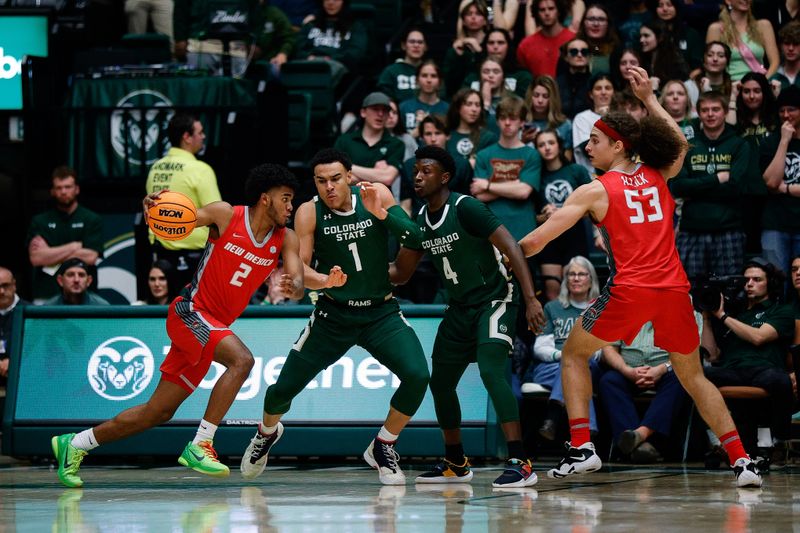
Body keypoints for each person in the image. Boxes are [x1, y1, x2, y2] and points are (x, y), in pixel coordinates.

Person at [518, 66, 763, 488]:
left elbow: (535, 244)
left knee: (574, 354)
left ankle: (581, 448)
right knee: (693, 377)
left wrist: (495, 247)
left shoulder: (596, 188)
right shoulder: (658, 172)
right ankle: (742, 461)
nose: (588, 147)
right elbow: (681, 141)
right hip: (673, 292)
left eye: (595, 141)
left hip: (629, 292)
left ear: (618, 144)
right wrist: (650, 97)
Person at [50, 164, 306, 488]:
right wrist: (155, 208)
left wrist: (295, 285)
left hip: (211, 328)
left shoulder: (287, 238)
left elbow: (297, 279)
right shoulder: (226, 215)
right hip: (191, 312)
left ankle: (74, 444)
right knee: (242, 361)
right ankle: (201, 443)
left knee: (157, 412)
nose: (290, 206)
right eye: (285, 199)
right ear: (265, 199)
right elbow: (179, 219)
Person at [239, 149, 430, 486]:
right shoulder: (309, 212)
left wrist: (382, 214)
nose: (329, 187)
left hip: (380, 313)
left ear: (350, 177)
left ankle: (383, 445)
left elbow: (416, 238)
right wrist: (324, 280)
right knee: (282, 390)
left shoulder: (377, 195)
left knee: (418, 375)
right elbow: (301, 269)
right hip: (333, 316)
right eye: (321, 180)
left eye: (335, 179)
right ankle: (266, 433)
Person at [390, 145, 544, 487]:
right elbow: (401, 274)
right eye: (415, 170)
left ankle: (521, 461)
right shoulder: (419, 220)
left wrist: (531, 298)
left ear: (444, 177)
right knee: (440, 382)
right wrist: (360, 272)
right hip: (459, 307)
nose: (417, 176)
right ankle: (456, 462)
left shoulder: (467, 207)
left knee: (491, 371)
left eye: (425, 171)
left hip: (495, 298)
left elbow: (511, 246)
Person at [703, 258, 795, 467]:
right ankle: (717, 442)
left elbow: (758, 337)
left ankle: (779, 441)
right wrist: (708, 318)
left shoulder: (781, 311)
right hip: (731, 370)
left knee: (780, 380)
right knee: (693, 377)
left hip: (764, 369)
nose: (749, 284)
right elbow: (712, 355)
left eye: (756, 279)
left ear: (769, 283)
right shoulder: (735, 312)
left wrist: (723, 316)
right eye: (746, 280)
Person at [669, 91, 752, 280]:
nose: (710, 114)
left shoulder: (739, 144)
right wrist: (717, 179)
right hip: (692, 231)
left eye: (715, 109)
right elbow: (679, 187)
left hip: (728, 230)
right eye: (705, 110)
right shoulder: (687, 146)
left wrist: (696, 188)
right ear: (699, 113)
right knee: (689, 290)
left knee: (729, 290)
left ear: (724, 112)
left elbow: (736, 188)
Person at [599, 317, 699, 463]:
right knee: (609, 381)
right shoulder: (624, 306)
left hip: (667, 369)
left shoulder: (684, 305)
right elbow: (608, 348)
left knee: (681, 379)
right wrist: (626, 370)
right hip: (630, 369)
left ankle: (640, 435)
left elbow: (690, 351)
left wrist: (662, 369)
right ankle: (641, 447)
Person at [525, 256, 601, 441]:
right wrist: (563, 356)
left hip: (589, 365)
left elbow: (600, 350)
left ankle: (553, 415)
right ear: (565, 280)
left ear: (591, 279)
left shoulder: (599, 310)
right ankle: (588, 431)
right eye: (571, 274)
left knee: (578, 366)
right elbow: (540, 347)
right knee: (572, 368)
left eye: (582, 274)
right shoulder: (552, 307)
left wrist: (574, 358)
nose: (576, 278)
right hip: (551, 368)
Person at [146, 113, 222, 291]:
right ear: (186, 137)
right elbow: (219, 216)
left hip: (161, 255)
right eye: (199, 132)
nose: (203, 136)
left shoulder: (155, 168)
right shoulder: (200, 170)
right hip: (194, 259)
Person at [27, 166, 104, 303]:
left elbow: (91, 256)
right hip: (46, 292)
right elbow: (37, 258)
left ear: (77, 189)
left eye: (68, 187)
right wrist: (74, 247)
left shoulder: (91, 219)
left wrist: (50, 253)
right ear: (52, 191)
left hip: (85, 295)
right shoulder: (40, 221)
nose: (63, 192)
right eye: (59, 188)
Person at [472, 95, 542, 242]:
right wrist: (514, 186)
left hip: (524, 229)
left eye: (513, 118)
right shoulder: (484, 155)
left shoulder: (532, 154)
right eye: (503, 118)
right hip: (491, 229)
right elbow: (480, 195)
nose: (507, 123)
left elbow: (523, 192)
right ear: (497, 121)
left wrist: (488, 185)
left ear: (522, 122)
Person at [532, 130, 591, 300]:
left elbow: (592, 208)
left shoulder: (576, 171)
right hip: (548, 240)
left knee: (577, 291)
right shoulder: (536, 176)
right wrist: (546, 217)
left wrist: (565, 213)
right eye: (542, 145)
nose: (547, 148)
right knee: (552, 291)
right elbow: (533, 216)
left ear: (559, 145)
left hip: (575, 237)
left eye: (551, 143)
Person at [761, 85, 800, 276]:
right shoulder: (771, 141)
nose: (786, 115)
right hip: (775, 224)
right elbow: (771, 183)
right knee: (776, 281)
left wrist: (786, 188)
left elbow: (778, 187)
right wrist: (784, 141)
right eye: (782, 110)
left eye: (791, 109)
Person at [334, 92, 406, 193]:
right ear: (363, 112)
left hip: (381, 201)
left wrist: (348, 166)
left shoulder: (396, 144)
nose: (380, 114)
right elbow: (336, 176)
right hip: (348, 200)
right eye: (375, 109)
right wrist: (376, 176)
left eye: (385, 110)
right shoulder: (344, 141)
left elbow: (387, 178)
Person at [706, 0, 779, 81]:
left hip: (758, 87)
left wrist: (761, 84)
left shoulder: (763, 26)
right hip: (729, 87)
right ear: (728, 1)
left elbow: (775, 62)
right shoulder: (716, 29)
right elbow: (710, 64)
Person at [516, 0, 576, 78]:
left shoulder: (573, 40)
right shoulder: (525, 45)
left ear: (559, 11)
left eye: (551, 9)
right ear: (536, 13)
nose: (547, 13)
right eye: (542, 10)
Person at [522, 76, 573, 161]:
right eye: (536, 95)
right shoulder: (520, 122)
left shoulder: (564, 125)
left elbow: (567, 160)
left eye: (545, 96)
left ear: (553, 99)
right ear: (530, 96)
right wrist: (523, 141)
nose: (540, 100)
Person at [0, 266, 28, 420]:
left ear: (14, 285)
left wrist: (15, 362)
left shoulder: (31, 311)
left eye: (5, 286)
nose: (1, 292)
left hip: (21, 387)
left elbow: (40, 353)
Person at [572, 73, 615, 175]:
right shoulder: (582, 118)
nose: (603, 92)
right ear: (591, 94)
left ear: (614, 92)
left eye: (608, 88)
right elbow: (589, 150)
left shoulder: (621, 116)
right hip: (591, 178)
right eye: (598, 88)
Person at [445, 88, 498, 166]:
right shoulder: (446, 135)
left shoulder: (488, 138)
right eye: (469, 104)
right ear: (458, 107)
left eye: (478, 105)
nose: (474, 109)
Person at [398, 60, 449, 140]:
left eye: (433, 76)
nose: (429, 80)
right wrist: (415, 133)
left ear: (439, 81)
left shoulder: (448, 109)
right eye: (424, 76)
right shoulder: (403, 108)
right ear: (417, 80)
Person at [377, 27, 428, 104]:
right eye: (412, 42)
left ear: (425, 47)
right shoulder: (391, 71)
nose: (416, 45)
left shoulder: (431, 72)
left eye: (420, 42)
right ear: (403, 46)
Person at [252, 1, 296, 75]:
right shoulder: (240, 14)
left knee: (275, 70)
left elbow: (289, 38)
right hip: (242, 60)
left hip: (269, 61)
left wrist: (283, 54)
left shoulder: (274, 14)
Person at [576, 3, 620, 75]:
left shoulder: (617, 50)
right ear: (583, 22)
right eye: (591, 19)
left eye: (601, 19)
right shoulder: (573, 48)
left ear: (608, 24)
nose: (596, 24)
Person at [45, 258, 111, 306]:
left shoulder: (101, 307)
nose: (76, 280)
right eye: (70, 275)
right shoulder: (48, 308)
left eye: (81, 275)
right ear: (60, 280)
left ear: (88, 281)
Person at [556, 38, 593, 119]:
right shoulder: (556, 84)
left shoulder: (595, 83)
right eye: (574, 52)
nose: (579, 55)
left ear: (589, 57)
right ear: (566, 57)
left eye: (584, 52)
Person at [772, 21, 800, 91]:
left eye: (796, 44)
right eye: (787, 43)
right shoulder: (773, 80)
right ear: (780, 46)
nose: (791, 48)